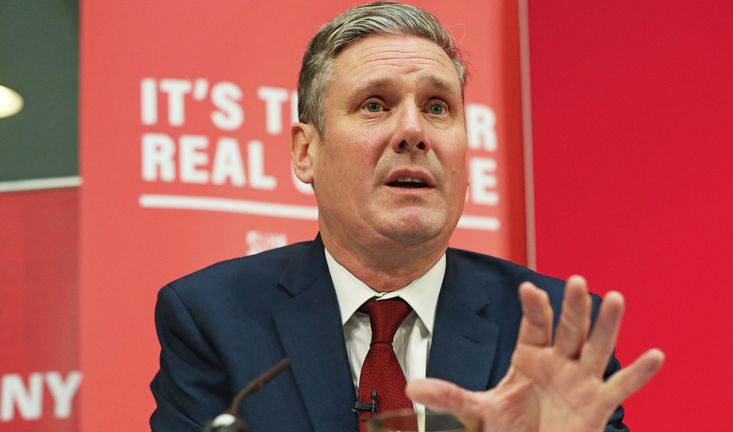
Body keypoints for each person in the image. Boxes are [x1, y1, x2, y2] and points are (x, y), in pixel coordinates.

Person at [149, 2, 664, 431]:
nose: (413, 131)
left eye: (439, 107)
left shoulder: (548, 331)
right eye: (375, 105)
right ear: (306, 152)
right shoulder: (213, 319)